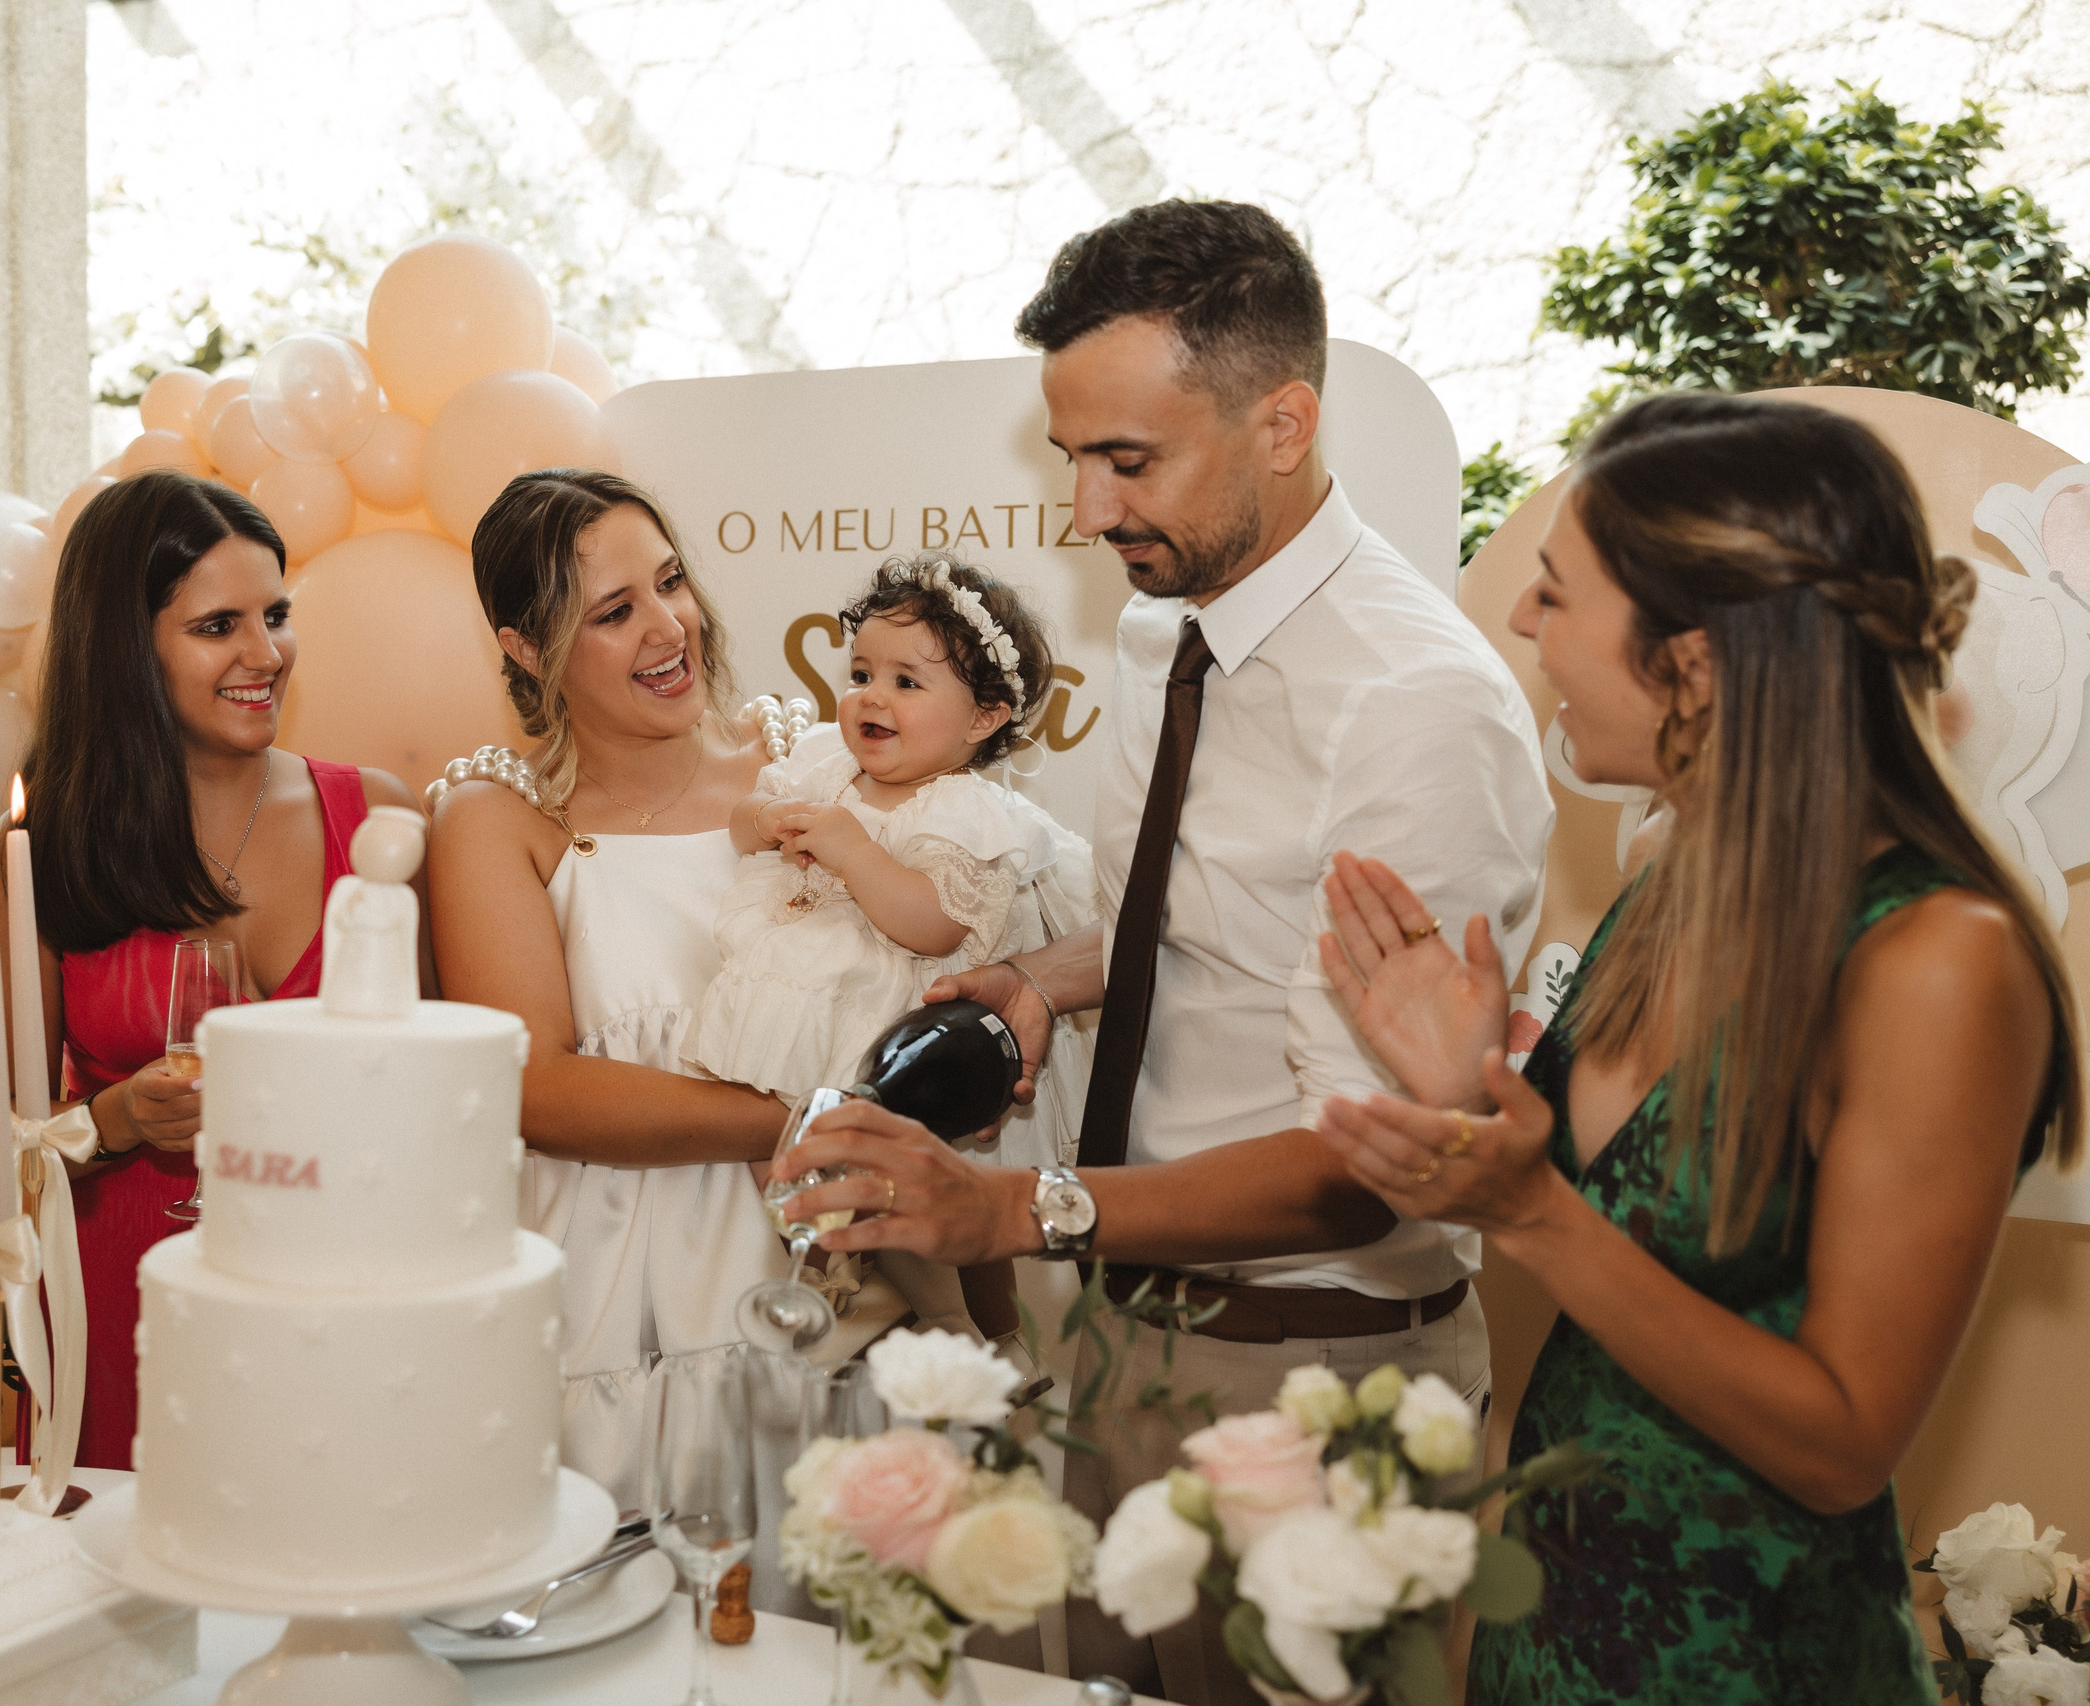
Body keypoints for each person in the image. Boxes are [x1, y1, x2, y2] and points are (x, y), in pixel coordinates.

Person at [770, 199, 1554, 1703]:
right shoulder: (1161, 628)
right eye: (1072, 454)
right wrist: (1046, 978)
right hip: (1125, 1323)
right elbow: (1185, 930)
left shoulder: (1413, 706)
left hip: (1319, 1374)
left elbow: (1374, 1151)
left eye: (1126, 459)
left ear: (1283, 420)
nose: (1082, 509)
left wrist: (1006, 1211)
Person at [1310, 394, 2079, 1703]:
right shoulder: (1672, 890)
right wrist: (1460, 1101)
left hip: (1750, 1657)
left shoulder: (1939, 959)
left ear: (1697, 662)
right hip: (1550, 1628)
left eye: (1557, 594)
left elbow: (1842, 1441)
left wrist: (1535, 1211)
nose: (1520, 625)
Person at [0, 469, 424, 1472]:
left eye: (275, 614)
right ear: (124, 643)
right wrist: (116, 1120)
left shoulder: (380, 819)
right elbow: (0, 1157)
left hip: (335, 1280)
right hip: (123, 1294)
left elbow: (436, 1079)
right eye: (217, 624)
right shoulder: (36, 848)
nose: (265, 654)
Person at [425, 468, 806, 1527]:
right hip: (616, 1314)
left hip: (820, 1264)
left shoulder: (799, 762)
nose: (668, 626)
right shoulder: (497, 817)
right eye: (614, 611)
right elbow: (536, 1088)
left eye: (671, 581)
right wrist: (798, 1117)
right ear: (527, 650)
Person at [690, 552, 1097, 1338]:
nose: (872, 697)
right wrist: (763, 823)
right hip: (811, 992)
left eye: (908, 683)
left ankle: (999, 1340)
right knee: (772, 1136)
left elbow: (936, 921)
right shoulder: (823, 763)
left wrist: (857, 854)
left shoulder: (967, 813)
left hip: (905, 1024)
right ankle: (834, 1269)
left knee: (965, 1202)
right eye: (862, 674)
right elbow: (742, 819)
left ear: (982, 719)